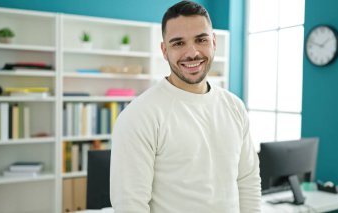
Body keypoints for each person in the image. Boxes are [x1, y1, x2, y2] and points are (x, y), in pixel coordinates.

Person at [110, 1, 261, 212]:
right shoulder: (139, 116)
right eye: (178, 43)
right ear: (164, 50)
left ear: (214, 42)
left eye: (201, 40)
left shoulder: (234, 107)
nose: (192, 53)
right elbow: (130, 205)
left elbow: (248, 182)